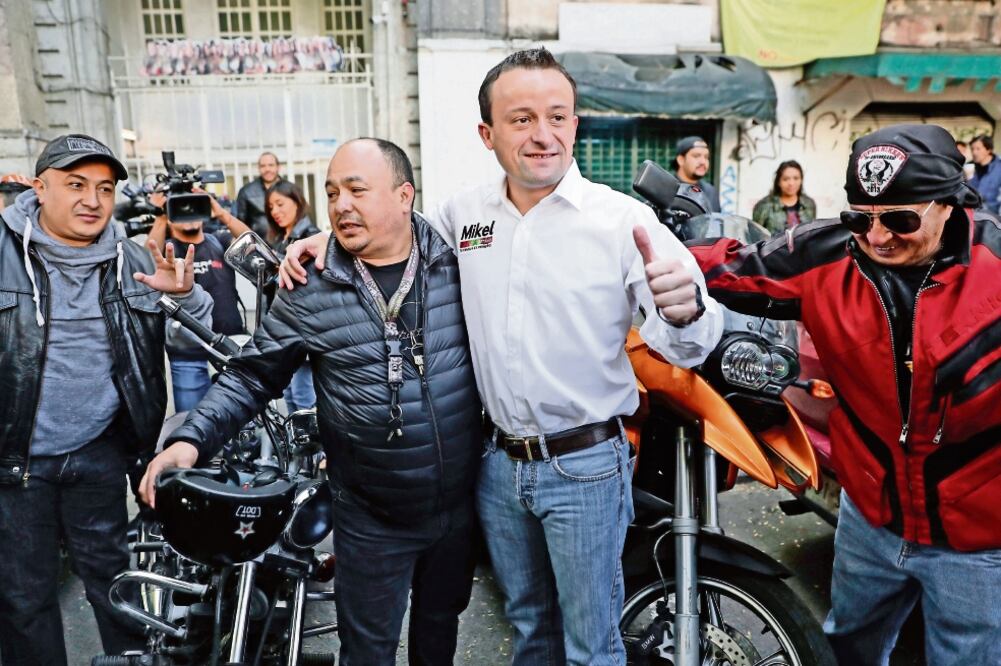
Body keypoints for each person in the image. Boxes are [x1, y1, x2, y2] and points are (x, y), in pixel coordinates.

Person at [279, 48, 724, 665]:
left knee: (592, 645)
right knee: (529, 630)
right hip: (496, 468)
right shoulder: (463, 216)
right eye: (521, 119)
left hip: (586, 465)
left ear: (575, 124)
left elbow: (692, 344)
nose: (543, 134)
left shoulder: (624, 222)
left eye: (558, 116)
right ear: (487, 133)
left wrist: (688, 313)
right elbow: (390, 230)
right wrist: (325, 237)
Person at [140, 138, 482, 666]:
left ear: (404, 195)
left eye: (357, 190)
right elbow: (251, 377)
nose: (341, 204)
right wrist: (190, 440)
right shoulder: (307, 286)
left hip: (455, 511)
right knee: (366, 650)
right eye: (331, 192)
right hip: (370, 518)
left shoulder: (458, 267)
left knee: (439, 632)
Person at [687, 124, 1001, 665]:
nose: (877, 237)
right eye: (860, 218)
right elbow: (726, 266)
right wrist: (653, 257)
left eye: (900, 219)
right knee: (848, 648)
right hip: (869, 514)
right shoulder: (825, 252)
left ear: (949, 203)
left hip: (977, 535)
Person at [0, 133, 213, 666]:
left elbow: (193, 343)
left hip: (99, 453)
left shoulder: (132, 258)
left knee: (116, 587)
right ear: (39, 187)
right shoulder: (2, 256)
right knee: (24, 600)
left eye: (104, 188)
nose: (92, 200)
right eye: (75, 185)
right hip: (16, 461)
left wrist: (185, 297)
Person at [148, 189, 251, 411]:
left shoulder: (220, 241)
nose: (189, 210)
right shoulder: (167, 250)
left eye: (195, 204)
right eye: (182, 206)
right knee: (190, 427)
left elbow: (251, 244)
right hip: (187, 353)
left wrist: (220, 212)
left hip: (229, 347)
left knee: (240, 430)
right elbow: (148, 257)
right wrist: (162, 214)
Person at [265, 180, 320, 412]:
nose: (275, 211)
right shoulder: (279, 240)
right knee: (287, 395)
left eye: (280, 203)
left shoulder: (311, 238)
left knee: (302, 400)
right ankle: (293, 448)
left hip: (302, 331)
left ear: (297, 202)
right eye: (270, 207)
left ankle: (311, 449)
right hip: (281, 329)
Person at [752, 160, 817, 234]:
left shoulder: (809, 204)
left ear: (801, 180)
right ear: (778, 182)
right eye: (785, 179)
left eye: (796, 178)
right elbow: (754, 237)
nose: (791, 183)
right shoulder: (764, 206)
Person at [235, 151, 282, 238]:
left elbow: (301, 219)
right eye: (263, 166)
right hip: (258, 245)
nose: (267, 169)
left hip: (288, 244)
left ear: (278, 167)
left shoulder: (290, 190)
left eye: (271, 165)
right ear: (258, 168)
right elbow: (239, 223)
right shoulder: (246, 191)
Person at [674, 135, 721, 212]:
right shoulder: (667, 188)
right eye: (696, 156)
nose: (703, 162)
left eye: (706, 157)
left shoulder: (710, 192)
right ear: (681, 160)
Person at [969, 134, 1001, 213]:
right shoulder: (970, 168)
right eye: (972, 149)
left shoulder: (999, 168)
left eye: (978, 149)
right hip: (975, 215)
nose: (974, 152)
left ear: (988, 149)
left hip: (994, 218)